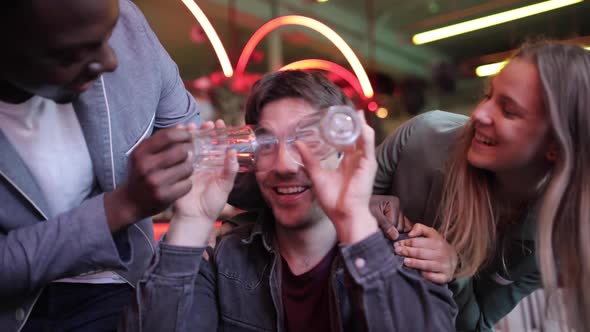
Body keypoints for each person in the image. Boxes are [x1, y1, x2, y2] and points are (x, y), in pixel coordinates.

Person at [123, 70, 457, 331]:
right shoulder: (226, 260)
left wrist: (354, 220)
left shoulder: (407, 256)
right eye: (267, 143)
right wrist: (192, 222)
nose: (283, 164)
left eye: (308, 139)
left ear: (344, 150)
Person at [0, 0, 200, 330]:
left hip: (123, 289)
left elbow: (194, 142)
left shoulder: (127, 26)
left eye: (109, 34)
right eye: (70, 55)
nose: (111, 61)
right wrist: (122, 207)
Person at [373, 41, 590, 331]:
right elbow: (321, 213)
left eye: (509, 110)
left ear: (555, 145)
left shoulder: (555, 235)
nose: (479, 114)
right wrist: (359, 207)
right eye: (488, 96)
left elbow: (475, 325)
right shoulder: (424, 136)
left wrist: (455, 272)